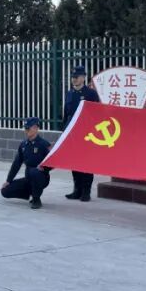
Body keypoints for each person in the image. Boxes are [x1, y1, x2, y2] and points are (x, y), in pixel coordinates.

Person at [60, 65, 100, 202]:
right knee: (74, 162)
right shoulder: (70, 93)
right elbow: (66, 114)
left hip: (87, 134)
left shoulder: (91, 94)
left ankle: (86, 191)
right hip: (72, 133)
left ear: (83, 77)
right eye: (73, 77)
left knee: (86, 162)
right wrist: (64, 131)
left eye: (76, 77)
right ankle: (76, 190)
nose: (74, 80)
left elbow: (97, 114)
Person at [1, 118, 53, 209]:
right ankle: (31, 192)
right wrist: (8, 180)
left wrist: (45, 168)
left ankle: (36, 199)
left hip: (42, 177)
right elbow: (16, 164)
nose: (26, 131)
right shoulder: (23, 145)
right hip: (29, 178)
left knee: (34, 172)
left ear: (36, 128)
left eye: (28, 128)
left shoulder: (44, 144)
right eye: (25, 128)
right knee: (5, 191)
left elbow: (52, 162)